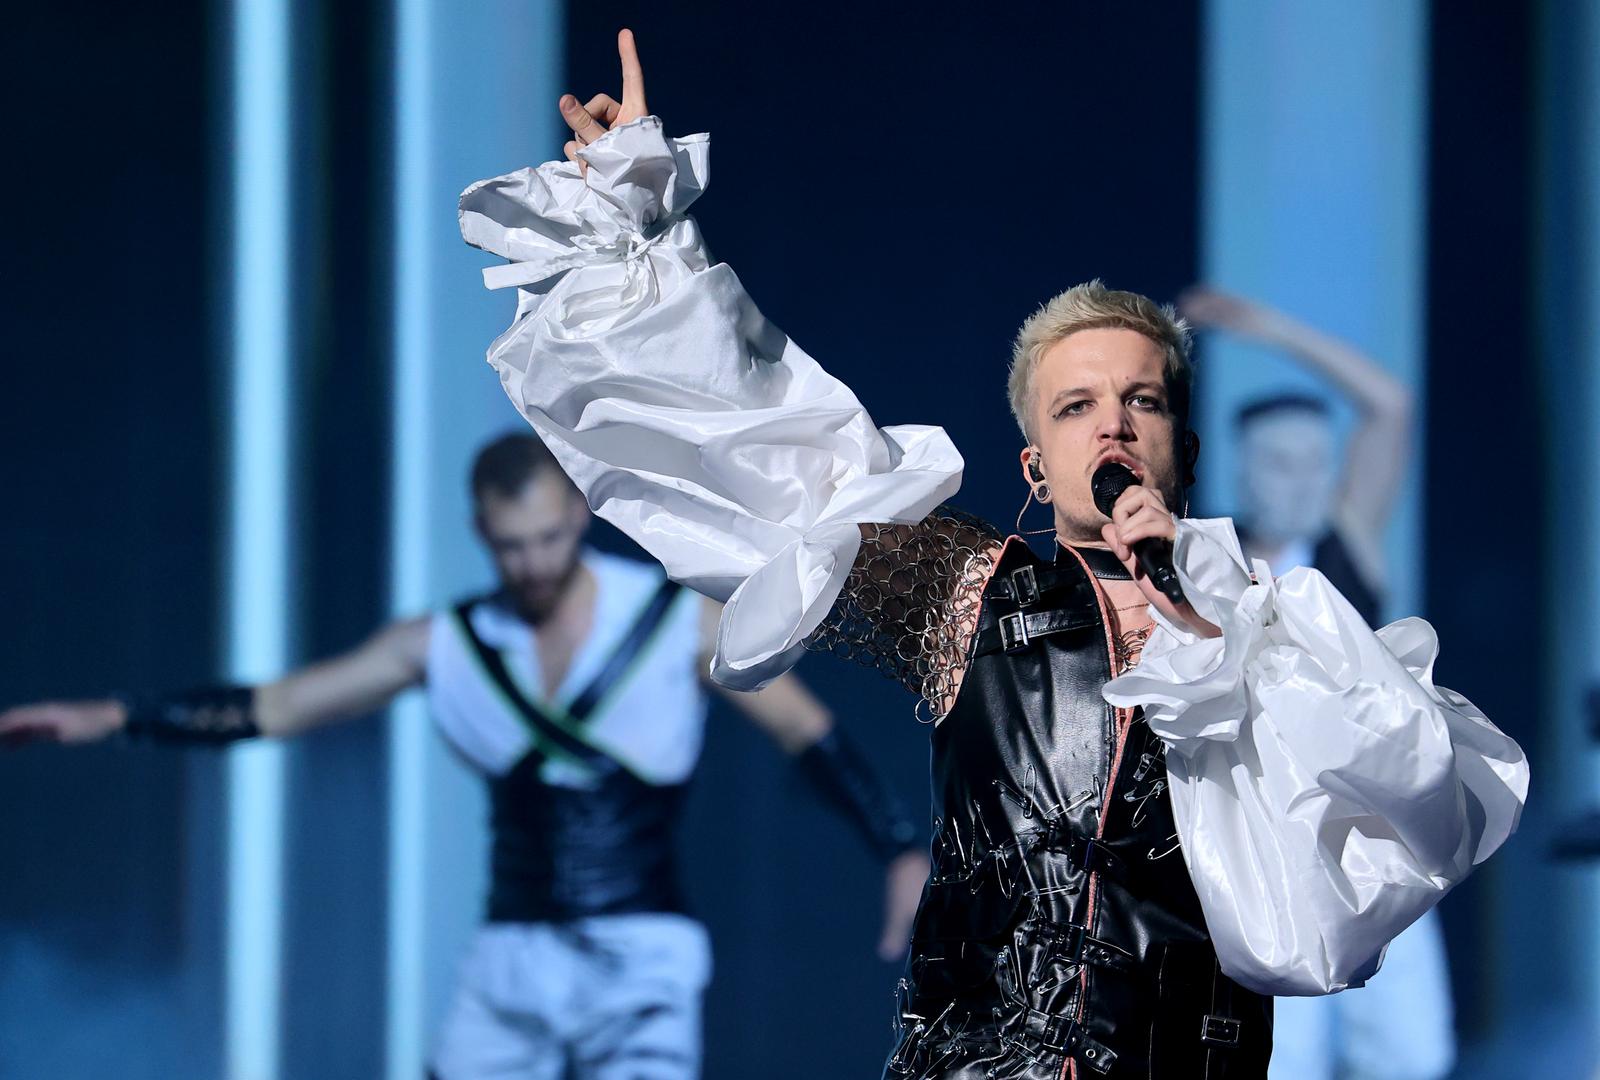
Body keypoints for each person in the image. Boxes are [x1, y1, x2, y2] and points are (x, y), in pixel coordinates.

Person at [454, 29, 1528, 1079]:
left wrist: (1217, 636)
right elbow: (764, 438)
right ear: (1035, 466)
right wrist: (640, 225)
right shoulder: (965, 593)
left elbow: (1416, 812)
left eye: (1141, 401)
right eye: (1076, 407)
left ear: (1185, 448)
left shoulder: (1279, 639)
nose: (1112, 425)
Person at [0, 431, 931, 1080]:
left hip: (641, 953)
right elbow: (279, 706)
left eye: (549, 538)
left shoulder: (672, 622)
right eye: (512, 546)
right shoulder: (444, 644)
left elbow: (806, 731)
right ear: (482, 533)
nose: (533, 563)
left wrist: (897, 844)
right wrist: (115, 716)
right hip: (511, 954)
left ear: (579, 514)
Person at [1179, 287, 1454, 1080]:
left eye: (1314, 463)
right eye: (1278, 461)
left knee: (1412, 1054)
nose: (1298, 481)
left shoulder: (1345, 545)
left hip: (1379, 837)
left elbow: (1390, 404)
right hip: (1273, 854)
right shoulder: (1209, 560)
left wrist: (1263, 328)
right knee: (1281, 1060)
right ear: (1241, 466)